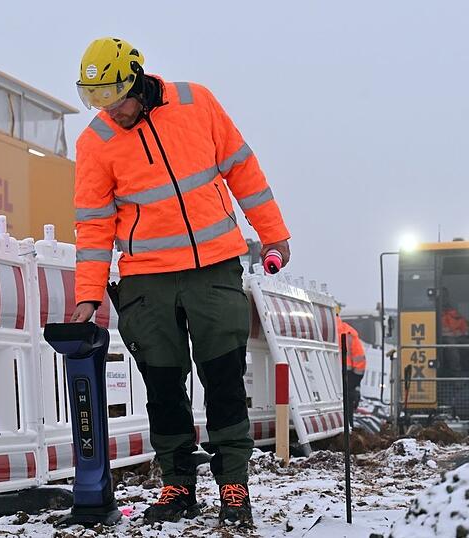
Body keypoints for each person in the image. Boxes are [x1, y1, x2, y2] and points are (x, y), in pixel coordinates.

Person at [70, 37, 291, 526]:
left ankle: (234, 484)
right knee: (164, 386)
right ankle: (177, 485)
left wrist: (273, 235)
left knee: (224, 380)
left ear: (137, 79)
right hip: (146, 284)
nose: (111, 112)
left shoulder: (197, 102)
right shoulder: (95, 143)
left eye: (116, 98)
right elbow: (92, 227)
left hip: (213, 270)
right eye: (97, 101)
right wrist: (88, 295)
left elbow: (243, 171)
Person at [335, 309, 367, 424]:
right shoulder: (349, 332)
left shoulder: (316, 330)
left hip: (324, 379)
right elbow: (360, 362)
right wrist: (353, 384)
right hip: (347, 378)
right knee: (347, 416)